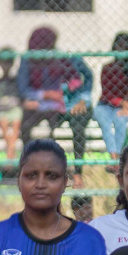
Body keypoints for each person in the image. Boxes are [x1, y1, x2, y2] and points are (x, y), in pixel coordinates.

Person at [17, 27, 93, 159]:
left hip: (58, 106)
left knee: (65, 126)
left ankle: (58, 163)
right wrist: (45, 95)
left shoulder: (60, 59)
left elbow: (80, 80)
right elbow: (23, 90)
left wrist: (79, 97)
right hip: (38, 104)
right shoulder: (28, 60)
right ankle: (29, 161)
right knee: (26, 126)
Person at [0, 48, 24, 160]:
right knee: (3, 122)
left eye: (8, 62)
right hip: (2, 111)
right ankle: (11, 152)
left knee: (16, 122)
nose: (6, 65)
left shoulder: (17, 80)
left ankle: (9, 152)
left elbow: (22, 99)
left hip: (15, 110)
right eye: (3, 62)